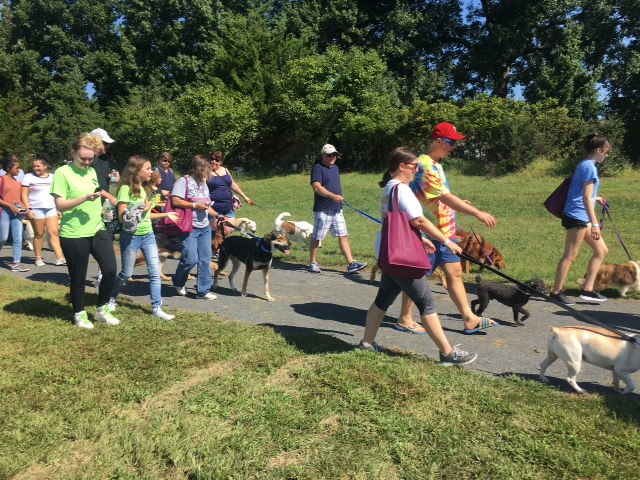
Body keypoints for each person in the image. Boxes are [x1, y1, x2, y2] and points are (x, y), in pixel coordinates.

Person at [359, 147, 477, 365]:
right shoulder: (402, 190)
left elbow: (396, 221)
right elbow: (419, 220)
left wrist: (420, 238)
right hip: (403, 258)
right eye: (414, 166)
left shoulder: (390, 187)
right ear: (402, 166)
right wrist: (446, 241)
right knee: (427, 303)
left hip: (389, 254)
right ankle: (448, 353)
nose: (417, 170)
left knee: (382, 299)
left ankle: (366, 343)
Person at [398, 122, 499, 334]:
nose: (454, 147)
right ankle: (405, 318)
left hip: (446, 233)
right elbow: (444, 197)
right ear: (438, 141)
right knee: (418, 277)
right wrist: (478, 213)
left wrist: (458, 202)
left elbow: (439, 196)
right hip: (429, 233)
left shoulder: (436, 165)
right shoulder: (424, 165)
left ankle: (469, 319)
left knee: (455, 274)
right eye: (451, 142)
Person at [50, 133, 120, 329]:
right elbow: (60, 205)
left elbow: (97, 191)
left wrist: (106, 203)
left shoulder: (91, 172)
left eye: (91, 159)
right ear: (73, 152)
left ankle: (101, 310)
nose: (87, 162)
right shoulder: (62, 173)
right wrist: (84, 198)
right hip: (74, 233)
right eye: (83, 158)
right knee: (78, 277)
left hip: (97, 227)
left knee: (110, 270)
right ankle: (79, 314)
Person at [108, 155, 180, 320]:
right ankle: (111, 297)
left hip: (148, 235)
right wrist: (143, 209)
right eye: (148, 168)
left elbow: (147, 216)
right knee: (126, 273)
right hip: (131, 236)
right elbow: (122, 217)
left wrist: (165, 214)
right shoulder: (125, 188)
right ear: (136, 170)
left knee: (154, 272)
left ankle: (157, 308)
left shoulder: (145, 188)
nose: (151, 171)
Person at [550, 133, 612, 305]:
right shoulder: (589, 167)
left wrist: (596, 198)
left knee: (601, 251)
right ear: (599, 150)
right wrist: (595, 223)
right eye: (607, 152)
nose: (607, 155)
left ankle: (588, 290)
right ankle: (556, 292)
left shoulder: (586, 165)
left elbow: (584, 193)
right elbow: (585, 198)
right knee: (570, 255)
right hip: (577, 216)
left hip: (581, 215)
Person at [308, 144, 367, 274]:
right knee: (317, 236)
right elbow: (316, 187)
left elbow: (335, 185)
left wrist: (339, 197)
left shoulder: (335, 168)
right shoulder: (318, 168)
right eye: (329, 155)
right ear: (323, 155)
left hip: (337, 209)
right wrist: (333, 196)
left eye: (334, 155)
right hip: (323, 209)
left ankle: (351, 264)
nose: (332, 157)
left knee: (343, 235)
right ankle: (313, 263)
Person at [172, 155, 221, 300]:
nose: (209, 172)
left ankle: (203, 291)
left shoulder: (203, 183)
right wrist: (194, 205)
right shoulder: (184, 181)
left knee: (205, 259)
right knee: (190, 258)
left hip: (204, 227)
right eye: (207, 169)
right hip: (189, 227)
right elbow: (175, 201)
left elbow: (206, 205)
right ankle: (178, 281)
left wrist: (217, 215)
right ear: (199, 168)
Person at [21, 153, 66, 266]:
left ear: (45, 166)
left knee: (54, 232)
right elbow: (24, 195)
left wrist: (58, 208)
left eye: (38, 166)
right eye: (34, 166)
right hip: (36, 208)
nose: (35, 168)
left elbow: (57, 193)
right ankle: (38, 258)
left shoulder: (53, 177)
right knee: (39, 234)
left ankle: (60, 257)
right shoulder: (28, 177)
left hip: (51, 208)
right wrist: (28, 209)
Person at [0, 157, 29, 271]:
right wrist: (10, 206)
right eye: (16, 168)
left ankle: (17, 263)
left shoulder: (18, 182)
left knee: (18, 238)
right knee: (3, 237)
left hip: (17, 211)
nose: (19, 170)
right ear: (9, 168)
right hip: (5, 211)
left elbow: (19, 198)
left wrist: (24, 208)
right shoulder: (1, 179)